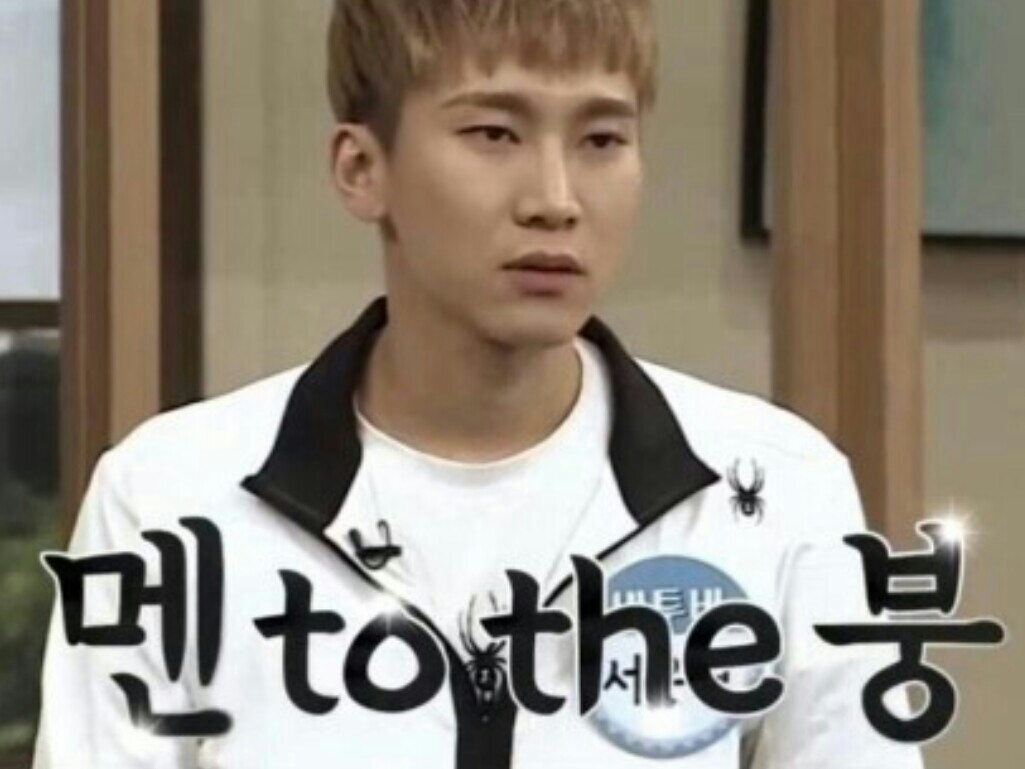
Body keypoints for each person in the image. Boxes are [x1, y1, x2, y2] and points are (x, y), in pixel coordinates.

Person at [33, 1, 926, 767]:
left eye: (602, 139)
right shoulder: (170, 500)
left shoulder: (773, 492)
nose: (555, 198)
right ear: (360, 169)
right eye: (494, 134)